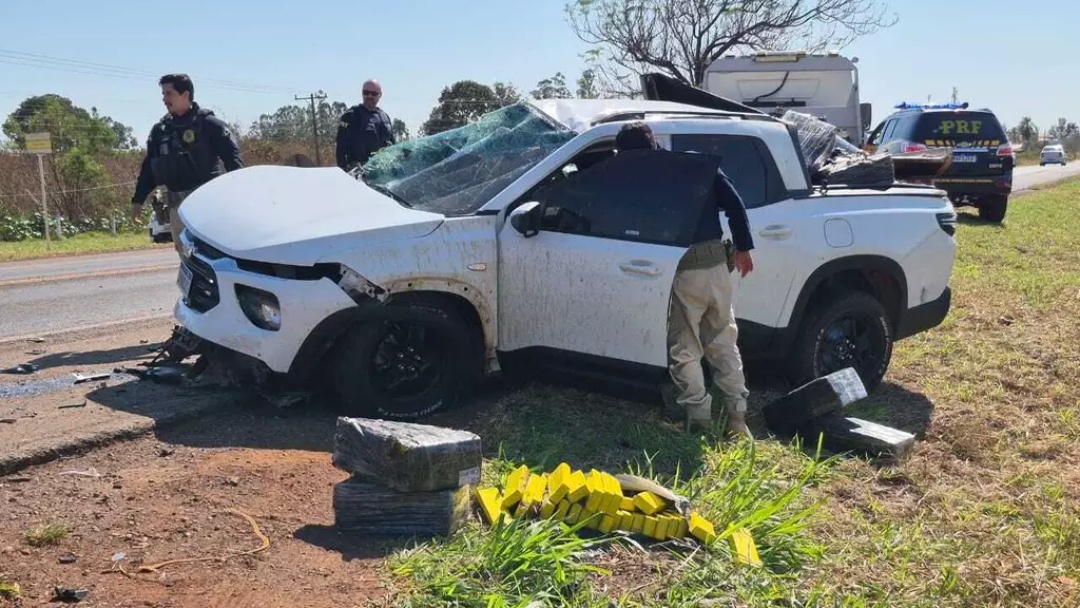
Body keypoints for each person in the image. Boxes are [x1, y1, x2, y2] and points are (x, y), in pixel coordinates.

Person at [613, 121, 756, 437]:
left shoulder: (637, 178)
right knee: (723, 341)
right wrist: (744, 247)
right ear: (654, 143)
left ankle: (698, 421)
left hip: (683, 268)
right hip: (718, 264)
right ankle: (737, 419)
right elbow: (734, 202)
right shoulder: (696, 165)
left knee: (685, 345)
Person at [130, 73, 243, 253]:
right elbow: (149, 169)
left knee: (211, 255)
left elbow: (233, 161)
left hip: (207, 206)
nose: (164, 99)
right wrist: (138, 201)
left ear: (185, 95)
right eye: (163, 94)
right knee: (186, 256)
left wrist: (239, 196)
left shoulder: (209, 125)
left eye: (169, 94)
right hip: (177, 208)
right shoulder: (161, 130)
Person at [335, 79, 396, 171]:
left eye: (374, 94)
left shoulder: (384, 117)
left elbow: (393, 145)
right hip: (359, 172)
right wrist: (344, 170)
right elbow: (341, 145)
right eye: (366, 92)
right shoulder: (350, 116)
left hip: (383, 171)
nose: (369, 96)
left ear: (380, 95)